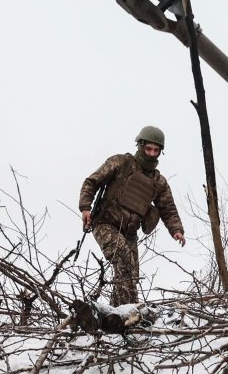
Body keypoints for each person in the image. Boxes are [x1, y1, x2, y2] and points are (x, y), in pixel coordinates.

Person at [79, 125, 186, 306]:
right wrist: (85, 207)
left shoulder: (159, 182)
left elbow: (168, 208)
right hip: (105, 223)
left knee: (130, 276)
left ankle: (121, 313)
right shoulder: (120, 163)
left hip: (129, 233)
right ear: (140, 146)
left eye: (156, 150)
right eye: (148, 149)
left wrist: (176, 230)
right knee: (123, 258)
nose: (152, 154)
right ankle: (123, 314)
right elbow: (92, 181)